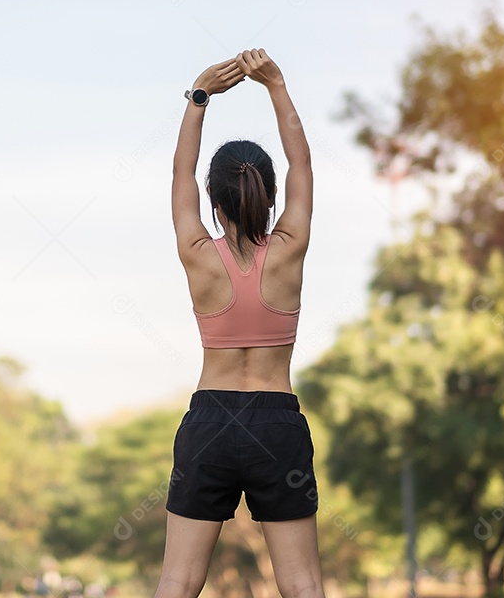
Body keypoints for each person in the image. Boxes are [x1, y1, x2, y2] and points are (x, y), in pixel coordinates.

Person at [161, 49, 322, 598]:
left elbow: (181, 169)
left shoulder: (197, 253)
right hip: (277, 422)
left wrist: (199, 97)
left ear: (212, 196)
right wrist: (276, 85)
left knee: (178, 582)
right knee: (302, 584)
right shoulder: (289, 249)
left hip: (210, 423)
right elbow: (302, 164)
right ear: (272, 195)